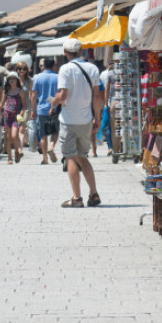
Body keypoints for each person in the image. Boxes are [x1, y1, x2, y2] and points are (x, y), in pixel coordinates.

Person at [52, 40, 102, 207]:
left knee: (70, 157)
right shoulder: (93, 68)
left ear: (65, 52)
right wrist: (97, 118)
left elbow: (63, 96)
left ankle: (77, 198)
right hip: (86, 119)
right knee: (83, 157)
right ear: (81, 51)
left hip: (69, 120)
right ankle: (94, 194)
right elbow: (96, 96)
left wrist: (54, 101)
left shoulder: (65, 69)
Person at [31, 57, 59, 164]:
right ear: (53, 65)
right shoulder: (58, 77)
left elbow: (33, 96)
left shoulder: (37, 77)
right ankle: (51, 147)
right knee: (55, 131)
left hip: (41, 109)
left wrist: (33, 110)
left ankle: (45, 158)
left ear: (44, 65)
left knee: (43, 134)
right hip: (55, 109)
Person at [1, 72, 26, 164]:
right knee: (8, 138)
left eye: (13, 79)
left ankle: (16, 151)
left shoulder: (20, 91)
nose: (12, 81)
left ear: (17, 80)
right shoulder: (6, 91)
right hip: (7, 116)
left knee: (14, 136)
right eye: (10, 79)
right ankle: (9, 158)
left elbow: (24, 106)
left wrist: (21, 114)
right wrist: (2, 109)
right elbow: (2, 104)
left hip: (16, 117)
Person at [98, 61, 115, 156]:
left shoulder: (104, 74)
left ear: (108, 64)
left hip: (108, 102)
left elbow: (104, 89)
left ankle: (110, 147)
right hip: (116, 102)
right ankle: (117, 147)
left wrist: (104, 104)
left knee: (108, 126)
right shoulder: (118, 73)